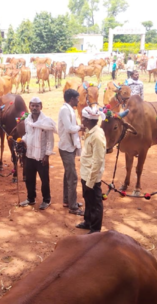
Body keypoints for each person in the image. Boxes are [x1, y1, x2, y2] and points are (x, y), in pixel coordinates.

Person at [19, 97, 57, 210]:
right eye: (33, 105)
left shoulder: (46, 121)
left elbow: (50, 139)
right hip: (29, 154)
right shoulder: (27, 120)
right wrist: (23, 140)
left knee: (44, 180)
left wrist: (47, 155)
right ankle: (31, 198)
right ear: (29, 106)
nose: (35, 108)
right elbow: (27, 135)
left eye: (37, 105)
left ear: (41, 107)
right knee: (29, 179)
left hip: (41, 156)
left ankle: (46, 199)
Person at [76, 106, 106, 234]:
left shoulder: (97, 136)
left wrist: (90, 181)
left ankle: (95, 230)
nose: (82, 120)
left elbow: (98, 160)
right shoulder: (91, 131)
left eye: (83, 119)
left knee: (95, 203)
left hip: (91, 176)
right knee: (88, 199)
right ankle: (88, 222)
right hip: (86, 174)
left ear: (88, 120)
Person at [58, 89, 84, 216]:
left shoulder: (69, 109)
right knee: (72, 177)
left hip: (70, 146)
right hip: (66, 147)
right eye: (77, 98)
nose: (78, 101)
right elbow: (69, 128)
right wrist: (80, 127)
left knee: (68, 174)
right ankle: (73, 207)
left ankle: (67, 200)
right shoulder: (64, 110)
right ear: (71, 99)